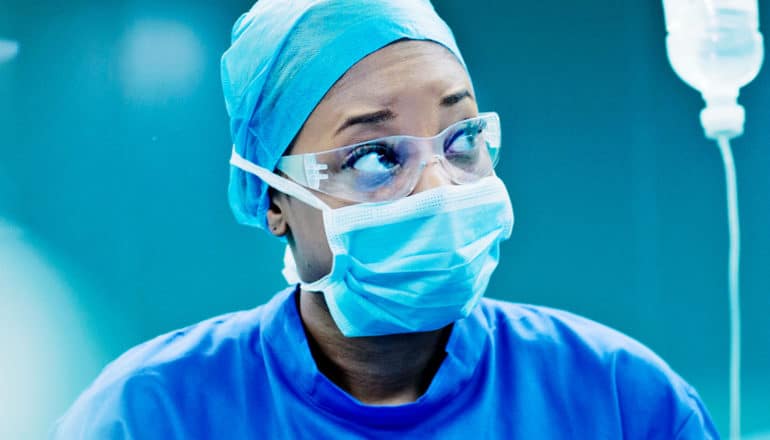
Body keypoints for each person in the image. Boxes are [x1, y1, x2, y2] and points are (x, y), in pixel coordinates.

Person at [52, 0, 719, 438]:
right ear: (276, 202)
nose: (438, 189)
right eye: (373, 157)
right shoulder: (152, 415)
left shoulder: (622, 402)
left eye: (462, 140)